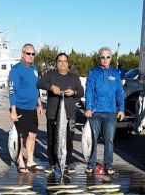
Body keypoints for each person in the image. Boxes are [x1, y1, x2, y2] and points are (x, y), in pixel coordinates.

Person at [37, 53, 84, 173]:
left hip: (70, 116)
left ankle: (66, 163)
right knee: (52, 140)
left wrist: (73, 92)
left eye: (64, 61)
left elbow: (81, 92)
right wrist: (51, 86)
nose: (62, 64)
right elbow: (39, 83)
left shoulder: (74, 77)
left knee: (69, 141)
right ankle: (52, 164)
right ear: (56, 63)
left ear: (68, 63)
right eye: (60, 61)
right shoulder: (50, 74)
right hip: (53, 115)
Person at [84, 46, 125, 175]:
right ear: (99, 58)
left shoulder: (115, 74)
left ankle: (108, 165)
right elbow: (89, 91)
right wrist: (88, 108)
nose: (105, 59)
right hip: (95, 112)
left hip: (110, 113)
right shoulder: (93, 73)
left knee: (109, 140)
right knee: (93, 139)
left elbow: (119, 93)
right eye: (103, 57)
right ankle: (91, 164)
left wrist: (122, 109)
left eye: (108, 57)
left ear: (111, 58)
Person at [8, 43, 43, 172]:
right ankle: (20, 160)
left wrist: (39, 103)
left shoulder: (35, 68)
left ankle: (30, 160)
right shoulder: (16, 69)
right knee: (21, 137)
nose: (31, 56)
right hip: (20, 108)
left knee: (32, 134)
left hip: (32, 108)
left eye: (33, 54)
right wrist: (13, 110)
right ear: (22, 54)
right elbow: (12, 91)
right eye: (28, 53)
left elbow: (36, 87)